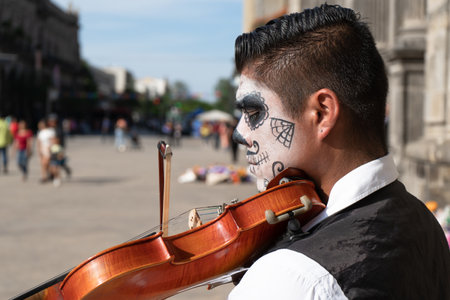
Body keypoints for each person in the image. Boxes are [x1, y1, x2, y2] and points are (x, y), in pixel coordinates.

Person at [229, 4, 450, 299]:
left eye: (254, 111)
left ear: (322, 113)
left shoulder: (289, 278)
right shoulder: (422, 219)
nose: (239, 133)